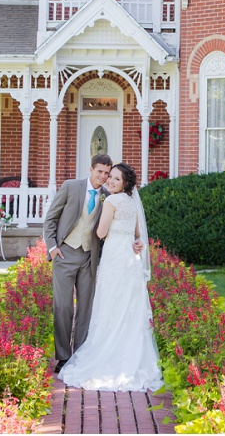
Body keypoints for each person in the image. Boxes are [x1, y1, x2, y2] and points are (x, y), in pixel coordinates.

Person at [59, 162, 164, 392]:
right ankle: (131, 356)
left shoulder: (113, 201)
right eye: (110, 177)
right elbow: (138, 234)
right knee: (128, 305)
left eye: (116, 179)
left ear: (125, 183)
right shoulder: (133, 202)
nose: (110, 181)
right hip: (130, 259)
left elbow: (101, 232)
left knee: (109, 303)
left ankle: (107, 352)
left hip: (115, 258)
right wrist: (136, 243)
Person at [42, 153, 119, 372]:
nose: (103, 177)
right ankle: (63, 356)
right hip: (65, 254)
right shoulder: (70, 187)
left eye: (107, 173)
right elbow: (51, 219)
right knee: (63, 306)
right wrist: (53, 247)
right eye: (100, 172)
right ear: (91, 169)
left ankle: (81, 355)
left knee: (86, 308)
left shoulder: (108, 196)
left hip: (89, 257)